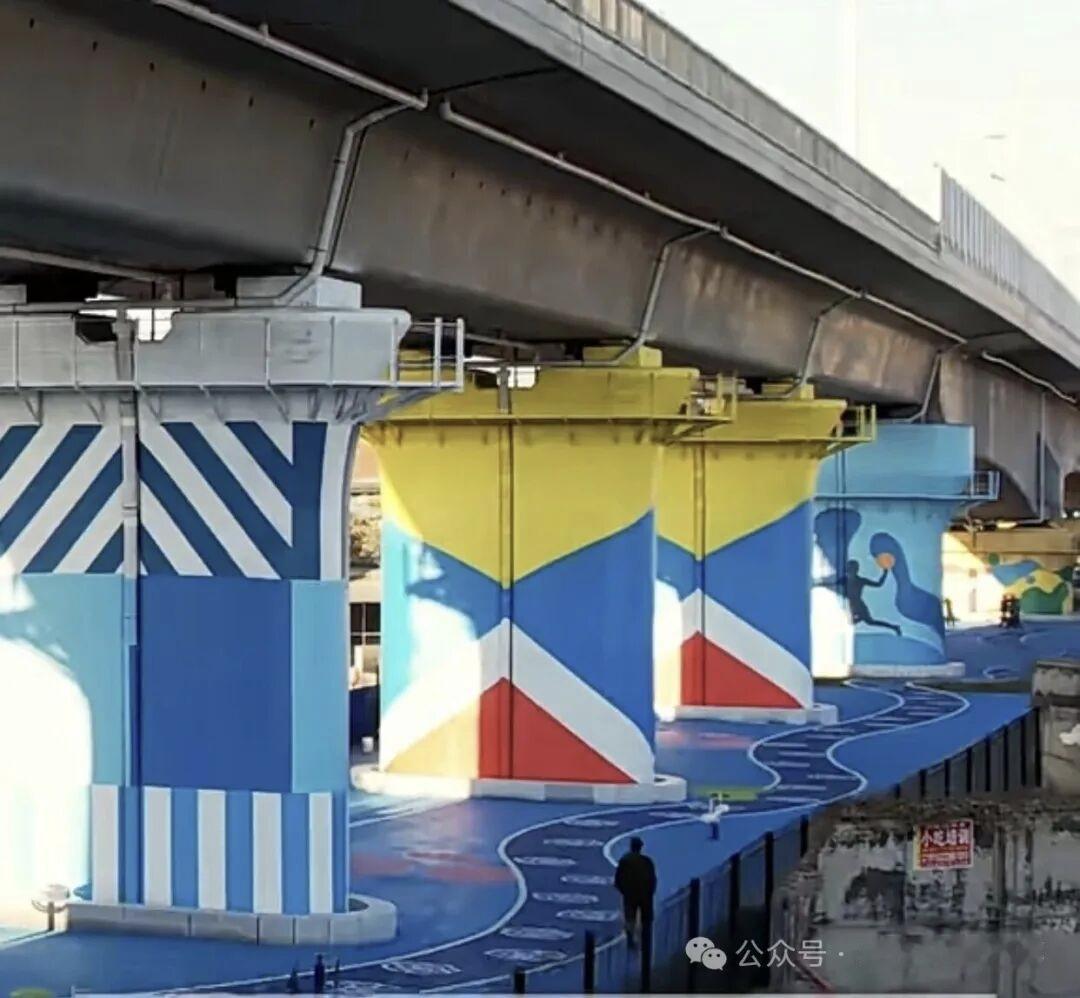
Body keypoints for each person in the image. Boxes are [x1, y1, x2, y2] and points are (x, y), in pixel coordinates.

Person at [614, 836, 657, 950]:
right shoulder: (647, 862)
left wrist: (625, 891)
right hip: (645, 896)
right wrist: (649, 893)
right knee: (646, 920)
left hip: (630, 895)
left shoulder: (625, 861)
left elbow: (618, 880)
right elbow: (652, 880)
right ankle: (646, 941)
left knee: (630, 918)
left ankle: (630, 940)